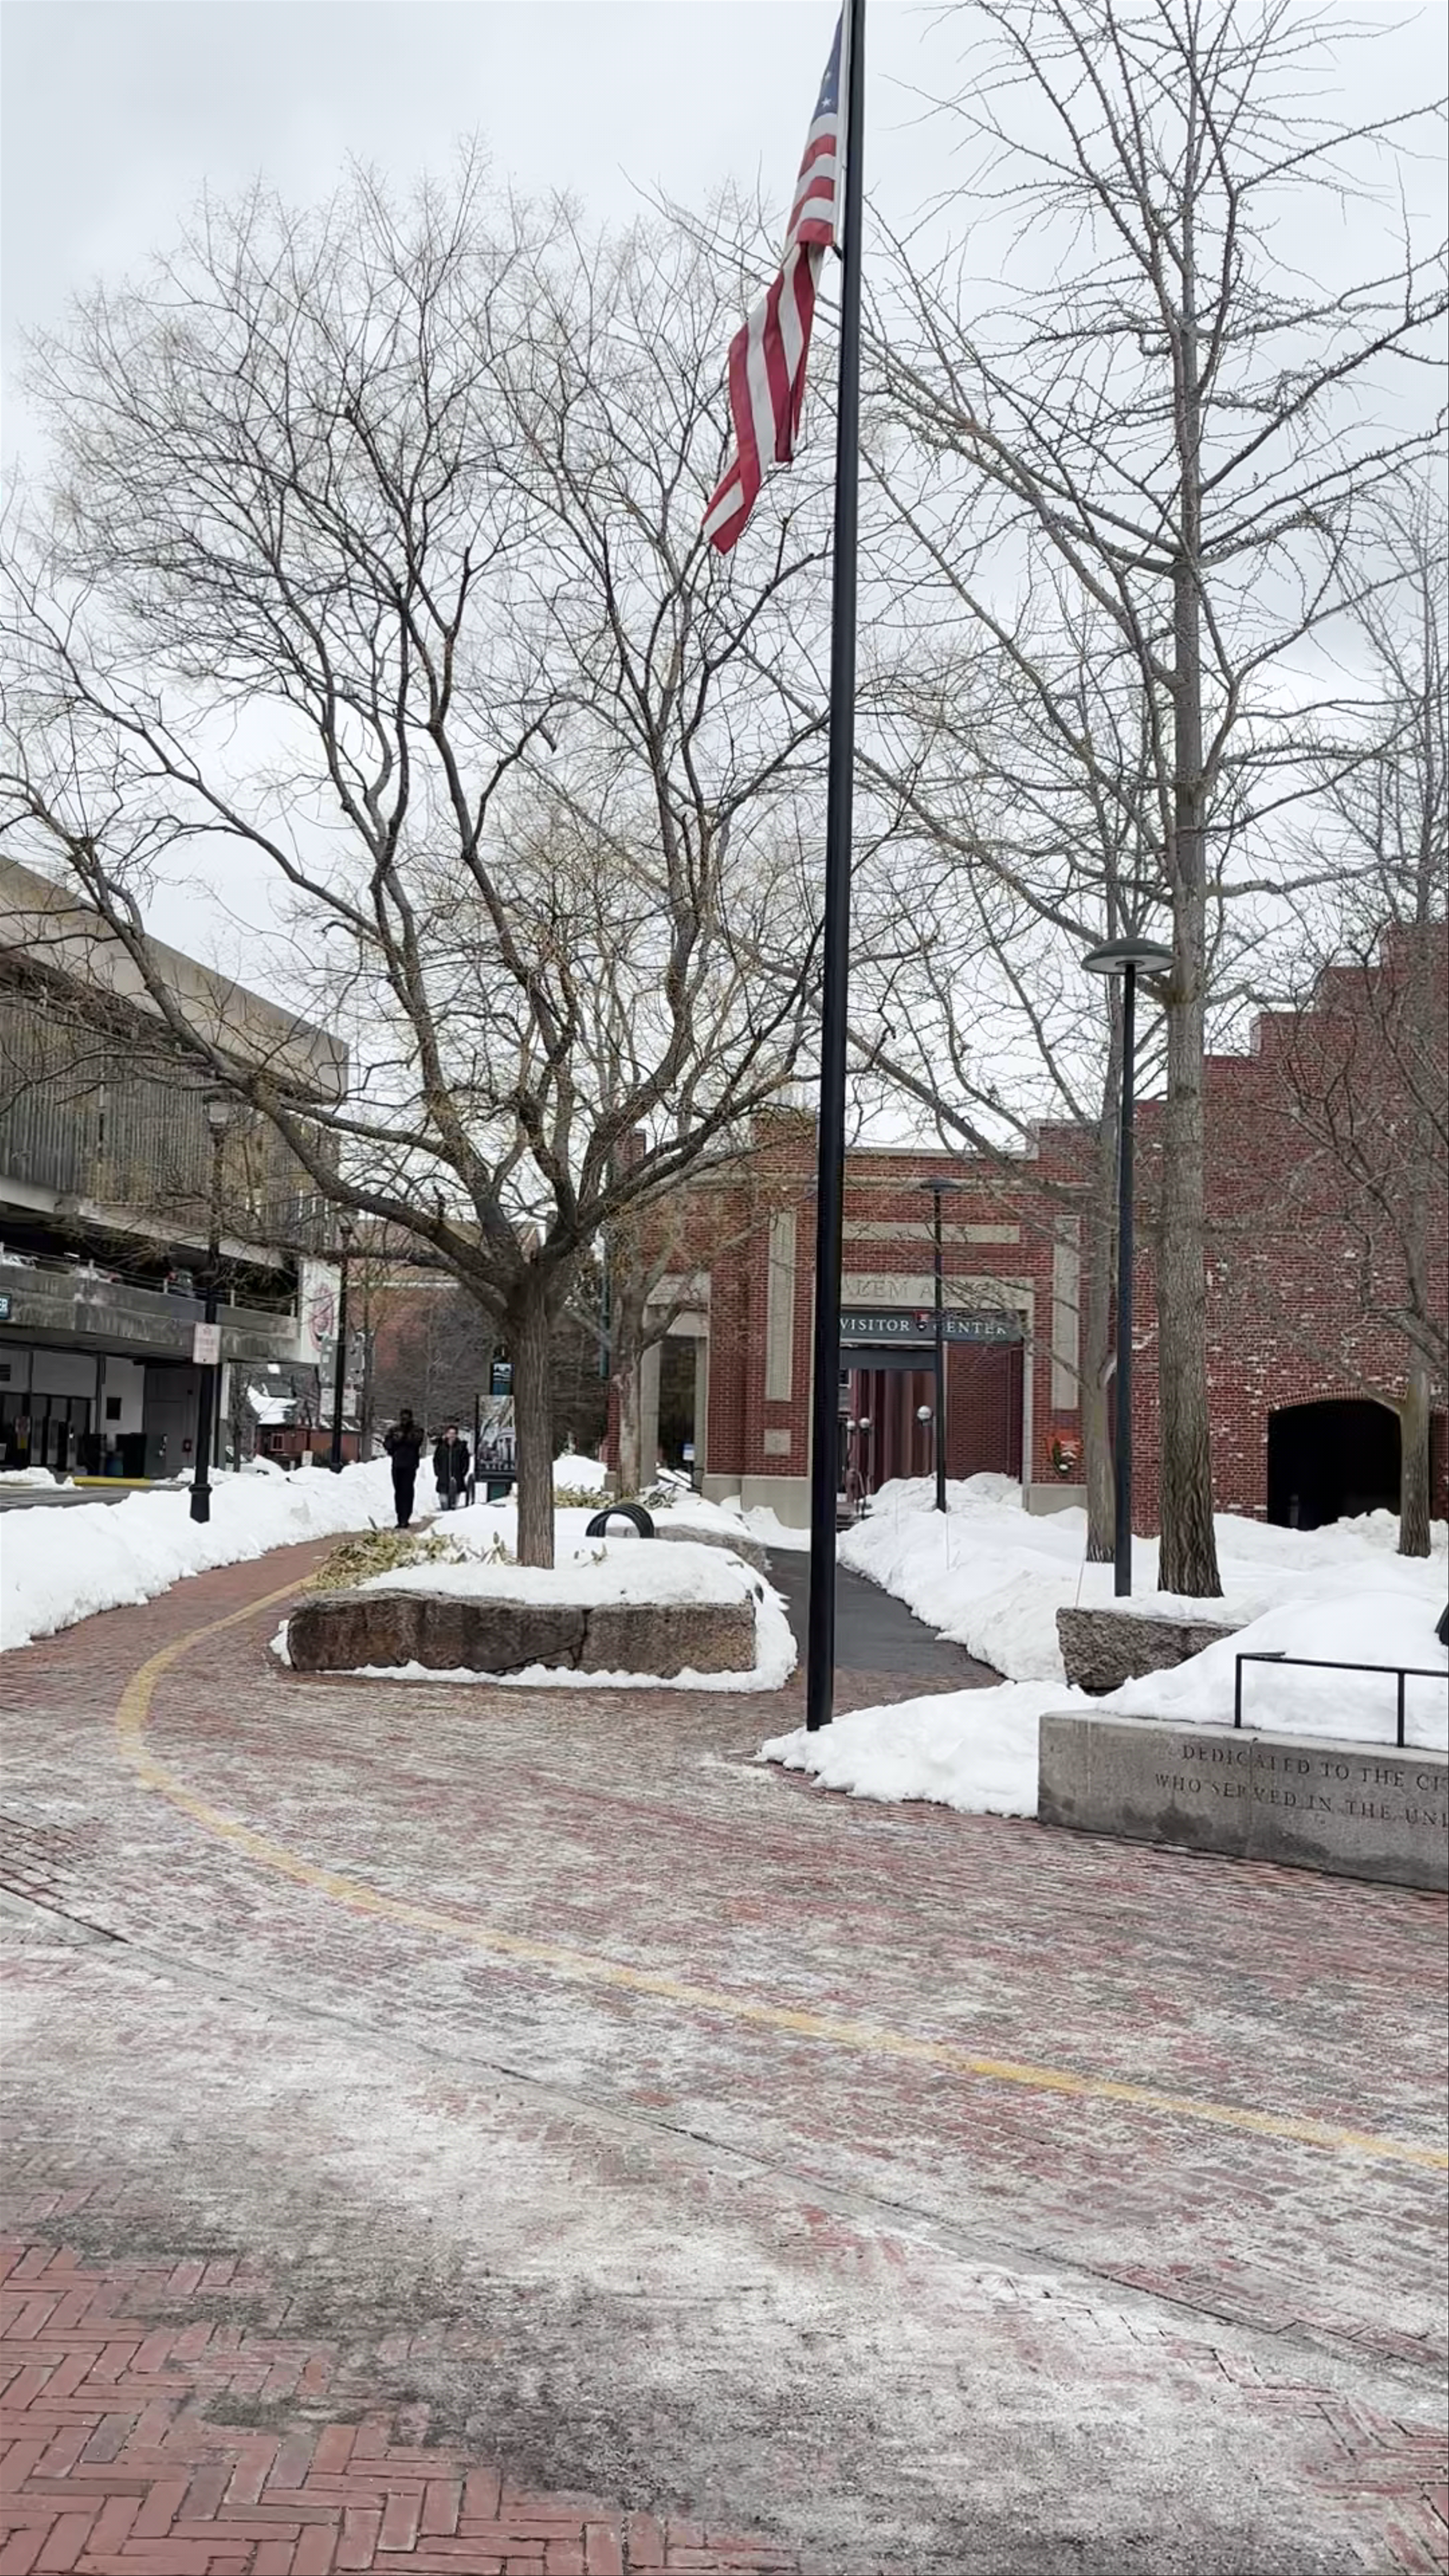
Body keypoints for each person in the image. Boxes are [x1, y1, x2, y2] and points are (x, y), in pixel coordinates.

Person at [385, 1409, 424, 1527]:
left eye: (407, 1417)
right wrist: (394, 1440)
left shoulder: (417, 1430)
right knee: (398, 1491)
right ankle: (400, 1516)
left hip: (410, 1465)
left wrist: (405, 1437)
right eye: (403, 1417)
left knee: (407, 1490)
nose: (405, 1420)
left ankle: (406, 1517)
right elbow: (387, 1445)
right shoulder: (394, 1430)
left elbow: (417, 1441)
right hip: (397, 1464)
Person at [432, 1422, 470, 1511]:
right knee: (444, 1502)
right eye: (450, 1433)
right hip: (443, 1477)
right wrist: (438, 1472)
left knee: (454, 1504)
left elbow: (466, 1461)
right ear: (446, 1434)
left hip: (457, 1477)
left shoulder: (462, 1447)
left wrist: (463, 1472)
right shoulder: (441, 1447)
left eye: (454, 1434)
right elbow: (436, 1460)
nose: (452, 1436)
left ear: (457, 1435)